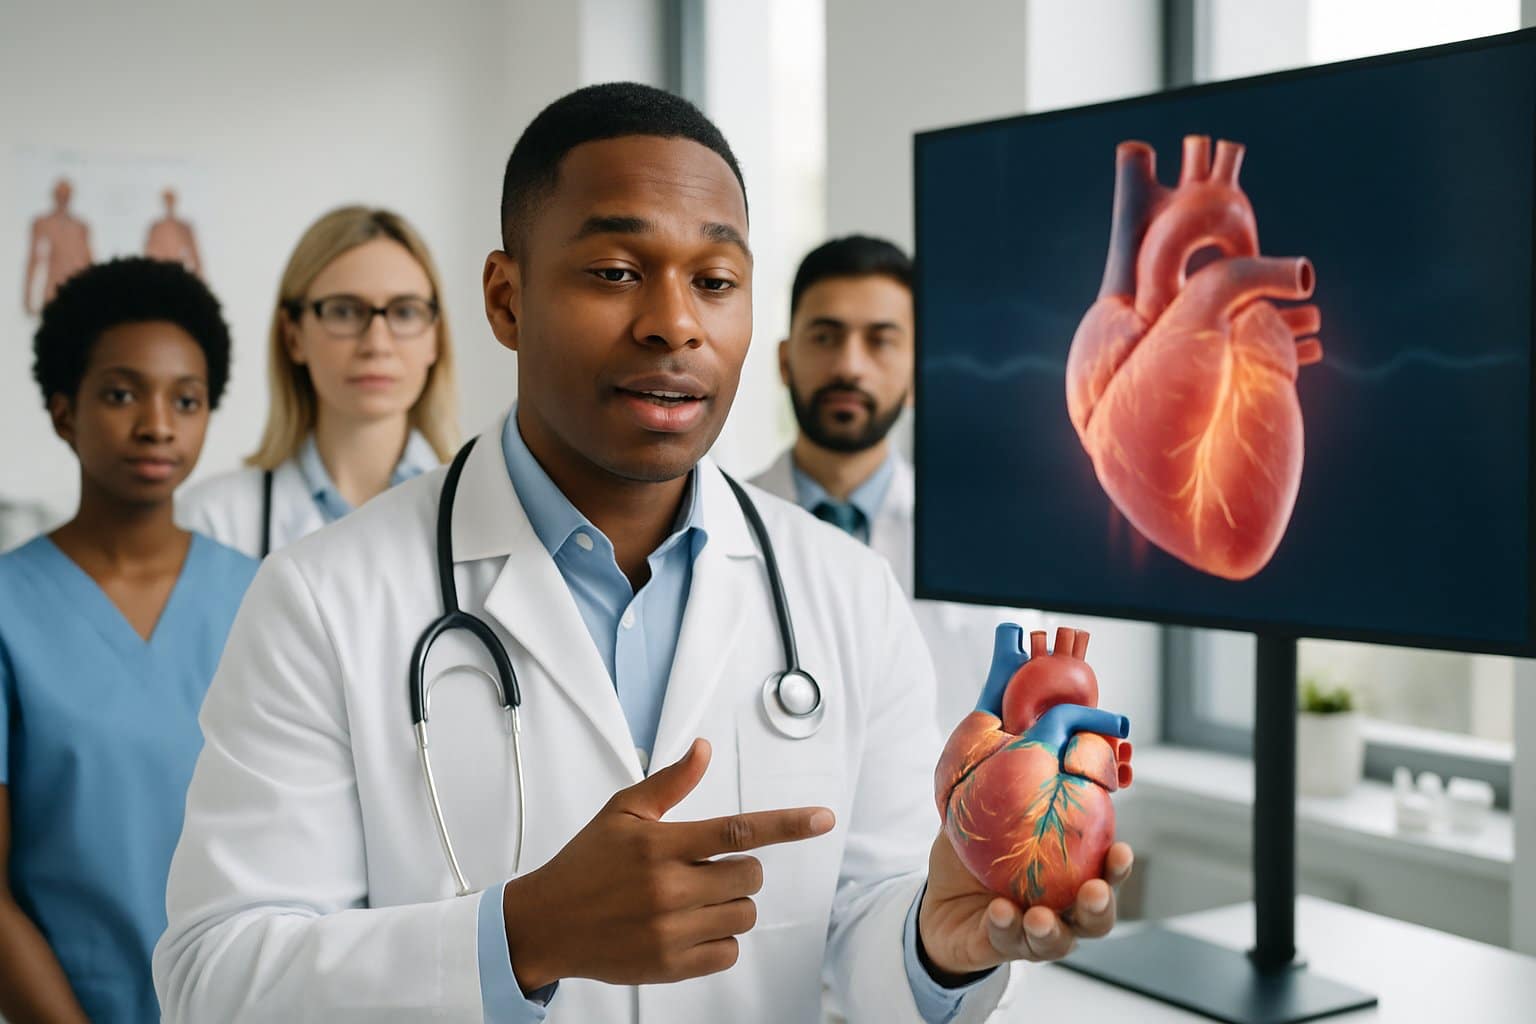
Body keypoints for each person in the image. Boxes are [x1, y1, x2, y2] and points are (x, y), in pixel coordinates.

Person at [155, 83, 1133, 1023]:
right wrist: (518, 936)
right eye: (617, 272)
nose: (675, 322)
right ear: (506, 298)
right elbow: (212, 979)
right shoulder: (324, 599)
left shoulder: (843, 591)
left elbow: (859, 937)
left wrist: (936, 939)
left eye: (715, 281)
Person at [0, 258, 258, 1022]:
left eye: (187, 399)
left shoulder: (263, 596)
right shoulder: (11, 610)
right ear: (61, 411)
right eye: (120, 393)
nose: (157, 424)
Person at [751, 236, 1044, 731]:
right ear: (784, 360)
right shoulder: (718, 526)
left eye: (880, 340)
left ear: (916, 376)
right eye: (825, 337)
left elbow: (1020, 724)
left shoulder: (986, 542)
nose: (849, 366)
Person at [178, 206, 459, 557]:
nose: (377, 344)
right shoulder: (213, 521)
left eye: (404, 312)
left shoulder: (484, 509)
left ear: (435, 337)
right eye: (344, 311)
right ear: (293, 336)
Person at [22, 178, 93, 316]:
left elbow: (89, 260)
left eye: (66, 195)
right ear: (54, 196)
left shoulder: (80, 226)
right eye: (60, 195)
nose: (63, 199)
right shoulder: (43, 224)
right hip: (52, 291)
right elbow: (33, 260)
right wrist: (28, 296)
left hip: (76, 289)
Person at [144, 188, 203, 277]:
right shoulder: (156, 227)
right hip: (161, 274)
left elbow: (195, 254)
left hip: (178, 273)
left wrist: (198, 275)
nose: (169, 203)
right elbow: (149, 253)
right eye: (167, 200)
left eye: (170, 200)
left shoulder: (184, 227)